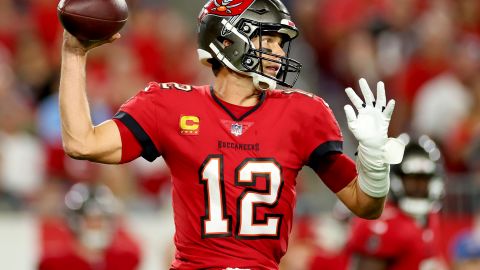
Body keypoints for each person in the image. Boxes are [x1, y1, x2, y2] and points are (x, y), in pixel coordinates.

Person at [58, 0, 404, 268]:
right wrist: (74, 54)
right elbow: (81, 142)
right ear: (227, 39)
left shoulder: (303, 113)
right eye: (268, 39)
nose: (279, 52)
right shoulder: (168, 105)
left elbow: (366, 205)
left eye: (281, 43)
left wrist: (373, 160)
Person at [346, 134, 448, 270]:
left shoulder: (431, 217)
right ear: (397, 178)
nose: (418, 186)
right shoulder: (379, 223)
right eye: (412, 179)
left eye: (424, 179)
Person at [38, 183, 141, 270]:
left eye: (101, 219)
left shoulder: (126, 259)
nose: (96, 225)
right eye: (90, 220)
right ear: (74, 222)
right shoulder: (53, 263)